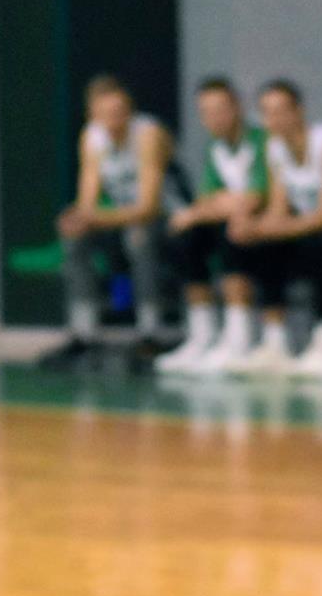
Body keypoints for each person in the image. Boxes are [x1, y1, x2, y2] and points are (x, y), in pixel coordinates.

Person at [227, 77, 322, 378]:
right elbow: (279, 210)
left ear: (299, 111)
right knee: (259, 243)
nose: (274, 119)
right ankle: (274, 340)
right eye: (267, 112)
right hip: (314, 231)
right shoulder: (275, 148)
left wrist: (269, 228)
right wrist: (252, 227)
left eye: (281, 110)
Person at [42, 75, 174, 368]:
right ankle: (84, 333)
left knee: (138, 238)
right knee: (75, 237)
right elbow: (88, 199)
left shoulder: (148, 134)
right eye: (107, 114)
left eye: (120, 112)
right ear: (93, 115)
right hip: (121, 218)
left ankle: (150, 332)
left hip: (168, 219)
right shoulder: (92, 137)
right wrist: (80, 217)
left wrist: (95, 217)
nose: (115, 120)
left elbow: (149, 207)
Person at [157, 76, 267, 375]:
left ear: (237, 107)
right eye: (206, 112)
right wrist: (221, 204)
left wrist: (223, 204)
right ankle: (202, 335)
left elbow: (254, 199)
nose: (214, 118)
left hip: (265, 232)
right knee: (186, 237)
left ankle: (239, 338)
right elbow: (206, 200)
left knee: (231, 233)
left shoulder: (261, 141)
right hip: (226, 223)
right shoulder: (215, 149)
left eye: (220, 109)